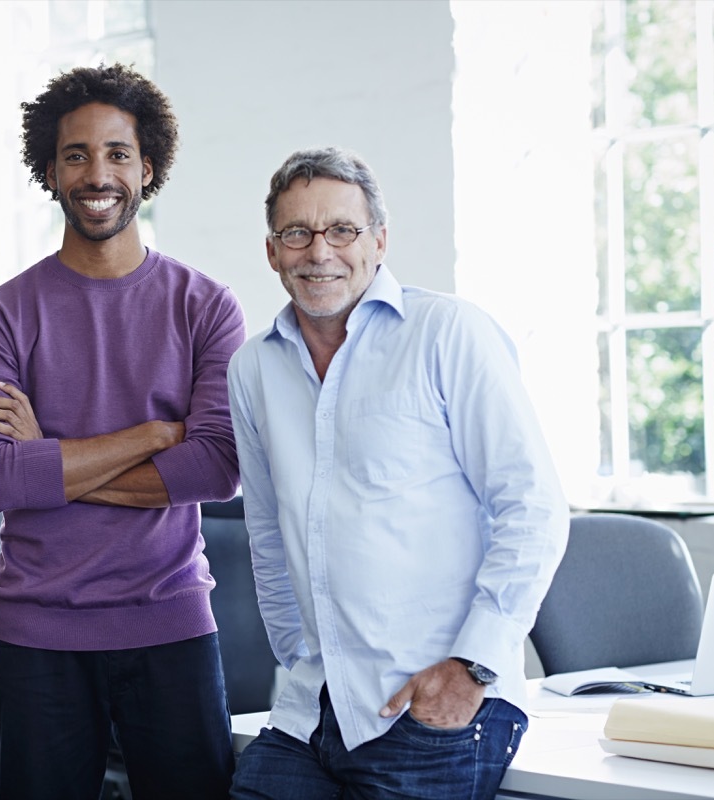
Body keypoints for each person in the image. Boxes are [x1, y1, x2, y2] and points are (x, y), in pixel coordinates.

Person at [226, 146, 570, 800]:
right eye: (295, 233)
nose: (318, 251)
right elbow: (267, 530)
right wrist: (296, 656)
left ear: (379, 241)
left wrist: (472, 667)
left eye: (343, 230)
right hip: (313, 708)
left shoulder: (449, 334)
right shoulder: (253, 369)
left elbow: (533, 508)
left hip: (436, 702)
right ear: (272, 252)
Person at [0, 63, 245, 800]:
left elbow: (215, 470)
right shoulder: (0, 316)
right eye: (77, 154)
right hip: (38, 635)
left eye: (117, 153)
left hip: (171, 621)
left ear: (147, 169)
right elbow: (0, 479)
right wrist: (155, 434)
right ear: (49, 171)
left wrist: (51, 461)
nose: (98, 173)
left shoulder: (206, 308)